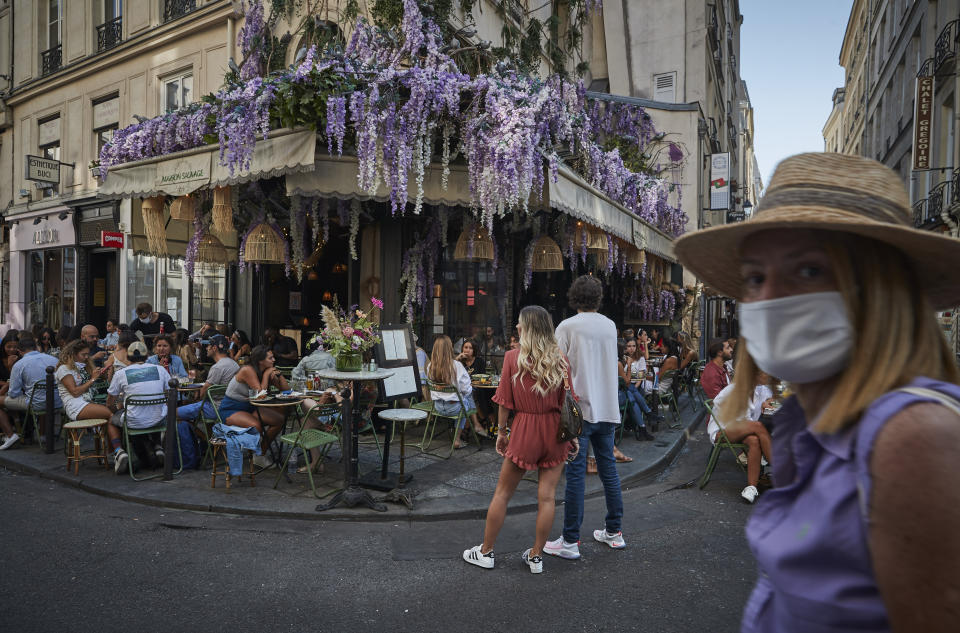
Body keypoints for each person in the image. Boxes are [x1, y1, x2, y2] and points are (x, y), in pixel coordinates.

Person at [674, 152, 960, 630]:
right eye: (755, 278)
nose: (767, 300)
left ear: (878, 287)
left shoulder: (913, 435)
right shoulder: (813, 423)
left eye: (808, 271)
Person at [462, 306, 579, 574]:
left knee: (503, 493)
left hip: (525, 427)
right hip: (554, 431)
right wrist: (571, 437)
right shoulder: (560, 359)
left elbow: (504, 401)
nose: (516, 327)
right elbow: (567, 402)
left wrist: (501, 432)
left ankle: (486, 552)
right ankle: (537, 556)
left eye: (519, 323)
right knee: (547, 498)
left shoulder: (513, 358)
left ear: (528, 327)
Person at [545, 275, 626, 559]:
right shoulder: (609, 325)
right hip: (608, 408)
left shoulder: (567, 326)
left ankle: (570, 541)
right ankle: (614, 532)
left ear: (574, 297)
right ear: (598, 298)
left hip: (578, 412)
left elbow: (555, 367)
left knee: (576, 474)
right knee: (609, 471)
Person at [105, 341, 171, 474]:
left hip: (134, 422)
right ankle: (157, 447)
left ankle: (119, 452)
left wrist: (117, 410)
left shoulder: (121, 373)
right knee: (155, 409)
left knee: (111, 420)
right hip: (160, 420)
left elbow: (109, 403)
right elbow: (170, 394)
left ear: (128, 357)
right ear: (147, 356)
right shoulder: (160, 369)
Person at [710, 371, 775, 503]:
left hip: (745, 431)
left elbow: (773, 397)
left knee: (755, 440)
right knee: (758, 427)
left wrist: (768, 401)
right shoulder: (736, 389)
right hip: (722, 432)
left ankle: (751, 487)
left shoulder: (761, 389)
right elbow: (717, 402)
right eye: (763, 372)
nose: (767, 375)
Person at [217, 345, 289, 463]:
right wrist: (266, 375)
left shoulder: (265, 369)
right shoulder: (247, 370)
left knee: (279, 420)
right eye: (270, 358)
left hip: (250, 408)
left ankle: (260, 453)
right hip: (231, 409)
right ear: (260, 361)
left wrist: (279, 375)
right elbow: (260, 396)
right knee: (256, 427)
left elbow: (286, 391)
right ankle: (256, 454)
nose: (274, 360)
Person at [426, 335, 485, 448]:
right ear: (450, 349)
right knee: (466, 400)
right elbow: (466, 390)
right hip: (454, 408)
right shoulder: (457, 366)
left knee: (463, 400)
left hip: (437, 407)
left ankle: (476, 425)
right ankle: (458, 438)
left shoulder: (430, 366)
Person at [177, 335, 239, 425]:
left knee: (174, 413)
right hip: (229, 406)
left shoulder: (217, 367)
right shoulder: (234, 364)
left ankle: (197, 437)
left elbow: (203, 393)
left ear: (214, 348)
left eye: (209, 346)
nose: (206, 348)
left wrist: (198, 395)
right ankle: (205, 437)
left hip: (215, 407)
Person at [2, 336, 62, 427]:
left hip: (35, 405)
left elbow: (13, 393)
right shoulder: (54, 359)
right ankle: (40, 436)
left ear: (19, 351)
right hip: (58, 402)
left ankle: (12, 434)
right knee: (41, 396)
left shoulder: (19, 364)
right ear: (36, 348)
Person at [54, 341, 113, 422]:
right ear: (73, 354)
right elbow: (75, 392)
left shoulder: (84, 365)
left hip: (89, 398)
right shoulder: (64, 369)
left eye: (87, 354)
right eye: (83, 354)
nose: (86, 357)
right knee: (110, 413)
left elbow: (95, 382)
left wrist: (102, 374)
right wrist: (93, 379)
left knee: (116, 408)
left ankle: (105, 434)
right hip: (75, 404)